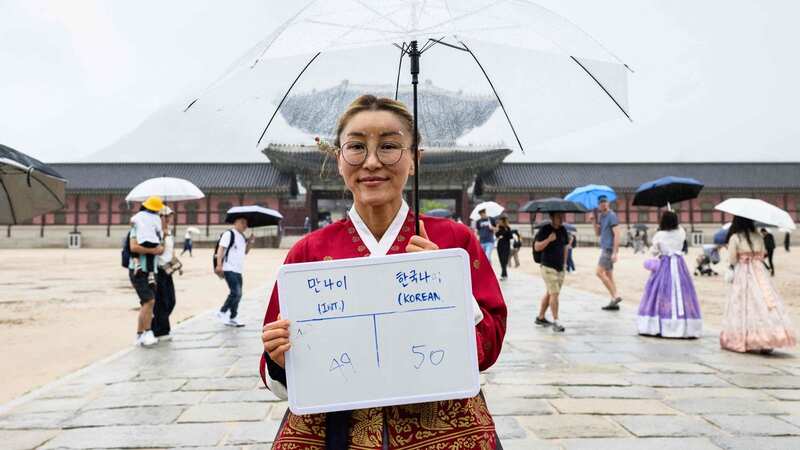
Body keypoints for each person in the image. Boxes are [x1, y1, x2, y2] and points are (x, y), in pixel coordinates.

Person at [259, 95, 507, 448]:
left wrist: (446, 288)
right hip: (333, 428)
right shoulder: (309, 252)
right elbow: (275, 359)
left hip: (443, 423)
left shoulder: (454, 241)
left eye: (390, 146)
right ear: (338, 158)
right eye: (356, 147)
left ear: (414, 158)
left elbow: (490, 346)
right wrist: (278, 356)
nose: (372, 162)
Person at [720, 216, 796, 353]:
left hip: (743, 273)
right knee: (764, 301)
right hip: (760, 272)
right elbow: (764, 253)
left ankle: (745, 338)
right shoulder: (758, 236)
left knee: (743, 304)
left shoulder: (735, 237)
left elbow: (732, 260)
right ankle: (768, 338)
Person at [636, 211, 702, 338]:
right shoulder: (681, 232)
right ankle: (685, 325)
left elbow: (654, 251)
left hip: (664, 265)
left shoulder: (659, 235)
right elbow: (681, 242)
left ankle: (658, 324)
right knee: (682, 291)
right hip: (679, 265)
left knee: (660, 292)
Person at [128, 196, 165, 347]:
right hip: (139, 269)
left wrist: (159, 248)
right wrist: (152, 250)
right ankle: (147, 332)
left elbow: (161, 249)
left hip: (152, 269)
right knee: (150, 301)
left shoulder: (156, 229)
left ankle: (139, 335)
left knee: (147, 303)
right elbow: (133, 247)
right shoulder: (136, 227)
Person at [214, 216, 255, 327]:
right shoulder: (229, 234)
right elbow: (221, 249)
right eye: (242, 222)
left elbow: (245, 252)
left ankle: (233, 317)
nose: (244, 225)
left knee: (239, 294)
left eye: (246, 223)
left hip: (238, 269)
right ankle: (222, 311)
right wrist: (219, 265)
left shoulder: (242, 236)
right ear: (235, 222)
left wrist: (250, 242)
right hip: (228, 268)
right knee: (235, 292)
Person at [533, 212, 569, 332]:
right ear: (552, 218)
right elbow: (537, 247)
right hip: (548, 267)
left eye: (562, 216)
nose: (561, 219)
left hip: (560, 268)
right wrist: (549, 239)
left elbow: (565, 247)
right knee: (555, 293)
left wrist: (564, 264)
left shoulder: (563, 230)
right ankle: (556, 320)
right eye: (559, 217)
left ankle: (540, 317)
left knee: (550, 292)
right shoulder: (545, 230)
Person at [152, 206, 179, 340]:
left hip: (168, 269)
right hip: (158, 270)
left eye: (170, 216)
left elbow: (170, 251)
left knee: (171, 301)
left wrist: (177, 265)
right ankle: (160, 331)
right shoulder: (156, 232)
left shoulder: (170, 231)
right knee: (162, 302)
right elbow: (158, 250)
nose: (168, 219)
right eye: (165, 216)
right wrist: (163, 236)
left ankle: (157, 327)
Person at [591, 196, 623, 310]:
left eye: (605, 202)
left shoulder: (612, 216)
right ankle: (614, 302)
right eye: (601, 202)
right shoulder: (601, 216)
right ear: (598, 205)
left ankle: (615, 296)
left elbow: (617, 234)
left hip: (608, 249)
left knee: (599, 272)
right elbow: (597, 233)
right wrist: (594, 221)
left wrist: (615, 252)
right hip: (605, 247)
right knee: (609, 276)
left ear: (608, 203)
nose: (603, 204)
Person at [495, 216, 514, 280]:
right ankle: (505, 274)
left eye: (500, 221)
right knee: (501, 260)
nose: (499, 222)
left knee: (504, 260)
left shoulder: (508, 228)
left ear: (503, 221)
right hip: (500, 246)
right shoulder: (499, 228)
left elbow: (511, 237)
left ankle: (503, 275)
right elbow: (497, 235)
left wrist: (505, 232)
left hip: (506, 246)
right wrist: (497, 229)